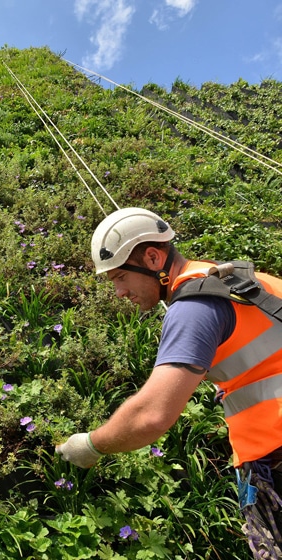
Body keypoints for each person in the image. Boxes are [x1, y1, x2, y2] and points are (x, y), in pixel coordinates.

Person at [55, 207, 282, 558]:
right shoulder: (241, 280)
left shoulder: (194, 307)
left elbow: (152, 416)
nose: (119, 292)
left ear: (153, 257)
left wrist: (91, 445)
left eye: (120, 277)